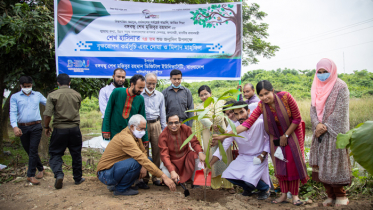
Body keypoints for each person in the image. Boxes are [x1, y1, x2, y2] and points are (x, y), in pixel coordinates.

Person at [213, 80, 308, 206]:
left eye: (266, 94)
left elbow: (297, 119)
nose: (264, 97)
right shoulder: (261, 106)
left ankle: (294, 196)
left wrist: (284, 136)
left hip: (291, 135)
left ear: (272, 91)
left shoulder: (286, 97)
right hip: (275, 137)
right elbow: (247, 124)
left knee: (291, 165)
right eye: (261, 95)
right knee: (280, 166)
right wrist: (222, 137)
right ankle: (284, 195)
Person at [96, 114, 176, 196]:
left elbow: (144, 152)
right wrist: (164, 177)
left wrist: (144, 167)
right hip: (106, 174)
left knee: (147, 160)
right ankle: (121, 189)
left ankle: (119, 185)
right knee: (137, 162)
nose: (143, 132)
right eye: (141, 129)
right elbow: (141, 158)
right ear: (131, 127)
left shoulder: (135, 135)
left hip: (115, 169)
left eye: (144, 129)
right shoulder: (126, 138)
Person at [207, 101, 271, 200]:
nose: (239, 116)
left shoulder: (260, 123)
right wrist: (210, 164)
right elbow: (223, 147)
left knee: (249, 179)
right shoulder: (232, 128)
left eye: (242, 112)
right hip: (243, 157)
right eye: (236, 114)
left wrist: (263, 155)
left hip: (258, 156)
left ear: (248, 111)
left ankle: (265, 189)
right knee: (228, 174)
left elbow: (269, 140)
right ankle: (248, 189)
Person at [309, 58, 351, 207]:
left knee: (335, 165)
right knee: (322, 165)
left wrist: (325, 126)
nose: (321, 75)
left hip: (334, 133)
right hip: (319, 133)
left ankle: (341, 196)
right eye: (319, 72)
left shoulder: (340, 87)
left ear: (331, 71)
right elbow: (313, 109)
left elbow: (341, 111)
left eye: (325, 72)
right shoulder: (316, 86)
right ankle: (330, 195)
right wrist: (316, 125)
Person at [43, 73, 85, 189]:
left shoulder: (52, 95)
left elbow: (47, 114)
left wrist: (46, 127)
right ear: (69, 82)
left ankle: (59, 174)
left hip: (60, 129)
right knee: (76, 153)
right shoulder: (77, 95)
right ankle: (77, 178)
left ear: (58, 83)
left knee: (55, 153)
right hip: (75, 129)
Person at [194, 85, 233, 190]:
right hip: (208, 133)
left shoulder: (220, 104)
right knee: (211, 157)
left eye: (206, 94)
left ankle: (229, 185)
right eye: (201, 95)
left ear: (210, 94)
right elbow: (202, 119)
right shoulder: (199, 108)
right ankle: (215, 186)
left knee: (226, 157)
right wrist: (211, 126)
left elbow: (228, 115)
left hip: (222, 133)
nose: (204, 97)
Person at [10, 76, 46, 185]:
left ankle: (30, 175)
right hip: (22, 127)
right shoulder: (15, 97)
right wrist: (15, 127)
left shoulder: (37, 95)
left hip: (36, 126)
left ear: (32, 85)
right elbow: (12, 112)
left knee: (33, 149)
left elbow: (48, 103)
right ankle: (41, 168)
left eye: (29, 86)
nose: (27, 88)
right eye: (25, 86)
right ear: (21, 86)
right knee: (29, 151)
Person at [158, 114, 206, 184]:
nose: (174, 125)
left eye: (176, 122)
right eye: (171, 123)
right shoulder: (163, 135)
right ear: (166, 124)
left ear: (180, 123)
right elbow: (164, 156)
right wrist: (172, 171)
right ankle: (176, 177)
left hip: (186, 158)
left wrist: (200, 152)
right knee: (167, 177)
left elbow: (194, 142)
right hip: (172, 161)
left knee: (198, 157)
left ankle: (195, 181)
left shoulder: (186, 128)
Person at [102, 74, 148, 144]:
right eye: (139, 87)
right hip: (114, 131)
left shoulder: (140, 99)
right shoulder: (117, 92)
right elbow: (108, 111)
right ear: (132, 84)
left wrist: (145, 138)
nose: (141, 90)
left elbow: (142, 118)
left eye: (143, 88)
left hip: (130, 133)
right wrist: (106, 130)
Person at [140, 73, 167, 186]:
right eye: (149, 83)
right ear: (145, 82)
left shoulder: (160, 95)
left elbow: (162, 113)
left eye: (153, 83)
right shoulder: (139, 94)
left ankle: (155, 177)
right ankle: (144, 178)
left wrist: (164, 128)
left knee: (157, 151)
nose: (151, 86)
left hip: (156, 124)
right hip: (143, 125)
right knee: (143, 150)